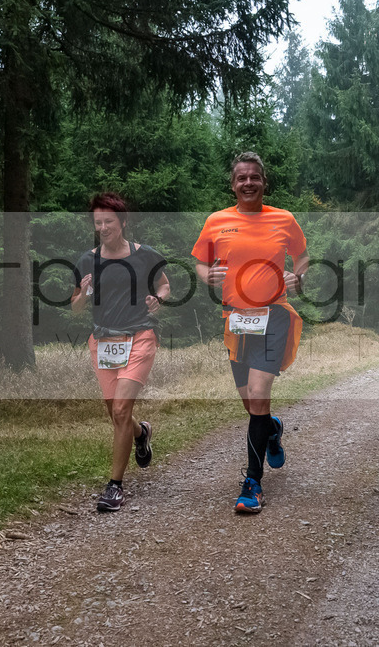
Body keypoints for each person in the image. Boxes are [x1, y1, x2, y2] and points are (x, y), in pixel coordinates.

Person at [192, 152, 309, 515]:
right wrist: (206, 275)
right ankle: (272, 429)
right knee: (251, 404)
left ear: (263, 182)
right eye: (241, 178)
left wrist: (298, 277)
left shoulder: (283, 219)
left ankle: (252, 484)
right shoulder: (217, 221)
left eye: (254, 177)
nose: (248, 183)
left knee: (258, 395)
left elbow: (302, 256)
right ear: (233, 185)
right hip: (237, 320)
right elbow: (200, 261)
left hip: (274, 315)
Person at [71, 192, 170, 512]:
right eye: (98, 222)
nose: (102, 228)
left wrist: (158, 299)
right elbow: (75, 307)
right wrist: (83, 293)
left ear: (123, 222)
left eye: (109, 222)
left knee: (121, 410)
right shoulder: (87, 260)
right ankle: (141, 434)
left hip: (140, 336)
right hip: (103, 341)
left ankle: (114, 486)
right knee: (116, 414)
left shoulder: (145, 255)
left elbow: (165, 284)